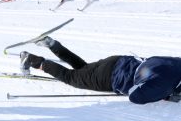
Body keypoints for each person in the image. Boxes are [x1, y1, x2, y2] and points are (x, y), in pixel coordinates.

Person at [19, 36, 181, 104]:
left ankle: (52, 44)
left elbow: (154, 65)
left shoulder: (177, 64)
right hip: (111, 78)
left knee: (83, 69)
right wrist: (163, 94)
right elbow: (134, 96)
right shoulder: (166, 84)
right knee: (71, 77)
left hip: (118, 61)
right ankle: (32, 60)